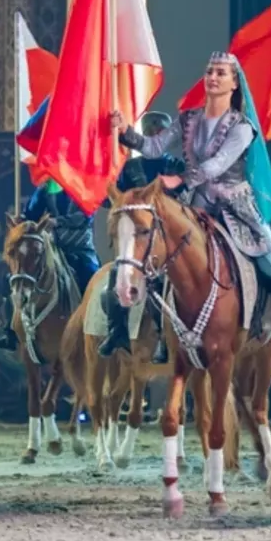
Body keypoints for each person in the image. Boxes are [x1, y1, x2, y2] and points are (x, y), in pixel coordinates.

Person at [109, 51, 271, 340]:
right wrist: (126, 132)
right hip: (196, 205)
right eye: (209, 72)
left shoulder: (242, 127)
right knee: (160, 253)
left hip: (235, 205)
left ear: (234, 83)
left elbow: (217, 164)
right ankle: (162, 331)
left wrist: (181, 178)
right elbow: (155, 147)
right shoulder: (188, 120)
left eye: (221, 73)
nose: (213, 77)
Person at [99, 111, 186, 363]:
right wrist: (107, 187)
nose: (154, 135)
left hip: (169, 240)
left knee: (161, 282)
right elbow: (112, 199)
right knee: (115, 278)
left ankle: (163, 338)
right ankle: (118, 331)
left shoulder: (176, 168)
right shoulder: (130, 169)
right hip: (139, 238)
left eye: (159, 131)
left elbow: (188, 198)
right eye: (151, 130)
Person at [0, 178, 101, 353]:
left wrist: (58, 221)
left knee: (92, 276)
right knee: (13, 278)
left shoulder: (82, 185)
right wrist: (21, 220)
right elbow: (31, 213)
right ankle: (9, 331)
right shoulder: (47, 188)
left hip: (79, 247)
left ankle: (96, 330)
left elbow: (85, 216)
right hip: (53, 247)